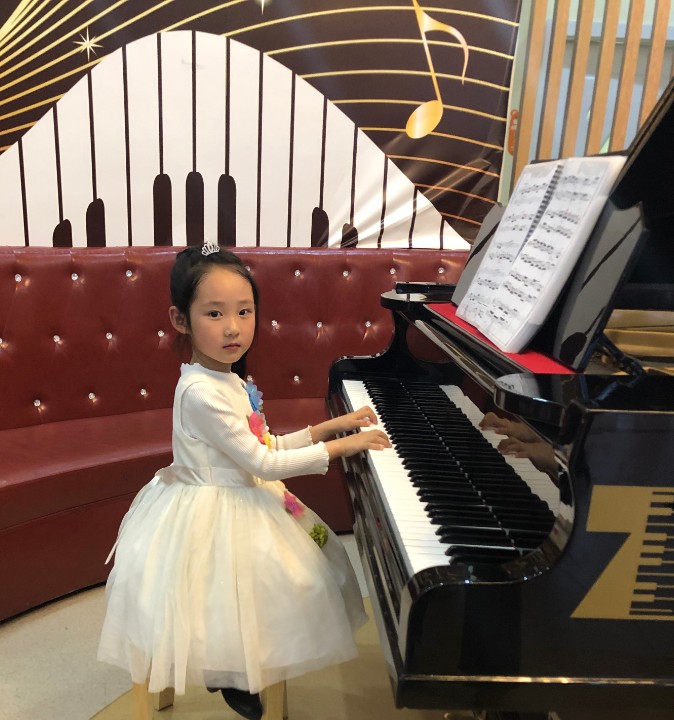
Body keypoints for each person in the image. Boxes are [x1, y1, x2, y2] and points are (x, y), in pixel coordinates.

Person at [97, 242, 391, 720]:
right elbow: (263, 463)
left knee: (288, 582)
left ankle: (239, 669)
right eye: (214, 313)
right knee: (233, 592)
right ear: (180, 320)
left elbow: (265, 442)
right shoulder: (200, 392)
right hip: (206, 511)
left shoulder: (229, 379)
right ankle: (229, 671)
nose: (233, 327)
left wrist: (327, 428)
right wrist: (343, 447)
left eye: (244, 311)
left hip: (241, 493)